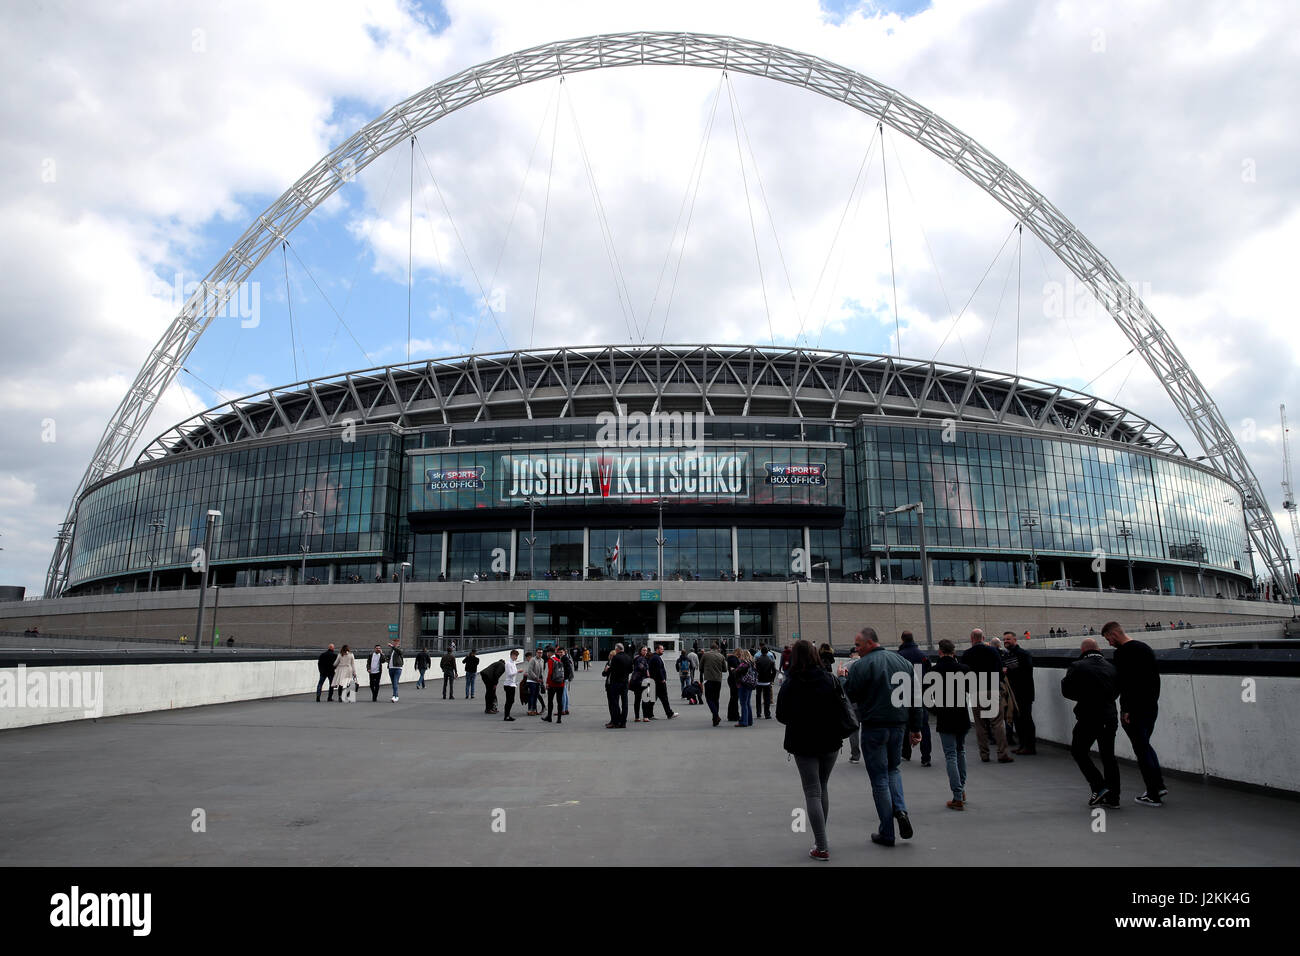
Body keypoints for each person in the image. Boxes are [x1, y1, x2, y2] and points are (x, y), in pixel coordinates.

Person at [844, 627, 924, 847]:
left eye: (858, 646)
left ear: (870, 643)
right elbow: (915, 698)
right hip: (898, 725)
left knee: (879, 777)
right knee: (893, 769)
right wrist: (916, 729)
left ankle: (887, 832)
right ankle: (901, 810)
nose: (857, 650)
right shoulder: (904, 664)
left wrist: (843, 680)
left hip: (873, 726)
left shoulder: (861, 666)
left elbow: (849, 695)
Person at [776, 639, 848, 861]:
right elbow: (841, 707)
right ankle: (820, 838)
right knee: (822, 787)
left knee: (812, 791)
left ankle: (822, 845)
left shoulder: (791, 683)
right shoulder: (830, 679)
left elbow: (781, 715)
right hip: (830, 741)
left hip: (803, 743)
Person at [1103, 621, 1168, 806]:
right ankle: (1158, 785)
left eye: (1108, 639)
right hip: (1150, 706)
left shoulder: (1122, 653)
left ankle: (1153, 793)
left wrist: (1126, 709)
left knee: (1141, 748)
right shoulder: (1144, 648)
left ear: (1114, 634)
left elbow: (1127, 683)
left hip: (1135, 709)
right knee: (1145, 745)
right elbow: (1153, 680)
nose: (1109, 643)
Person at [1061, 638, 1120, 807]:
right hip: (1110, 716)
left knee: (1079, 751)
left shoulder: (1078, 666)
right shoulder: (1111, 667)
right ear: (1098, 649)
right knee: (1109, 757)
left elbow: (1067, 691)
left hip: (1089, 716)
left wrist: (1084, 697)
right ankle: (1114, 798)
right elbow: (1116, 691)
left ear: (1082, 651)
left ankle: (1098, 786)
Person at [931, 639, 973, 809]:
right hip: (961, 715)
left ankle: (957, 797)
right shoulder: (964, 669)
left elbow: (927, 697)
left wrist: (936, 711)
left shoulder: (934, 671)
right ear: (954, 652)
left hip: (945, 716)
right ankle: (961, 790)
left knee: (950, 755)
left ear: (940, 651)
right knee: (960, 751)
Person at [961, 629, 1012, 763]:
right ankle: (1002, 753)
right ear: (983, 638)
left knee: (980, 725)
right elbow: (1000, 671)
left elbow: (964, 676)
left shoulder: (966, 654)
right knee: (997, 723)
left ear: (972, 638)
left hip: (976, 692)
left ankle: (984, 754)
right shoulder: (993, 651)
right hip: (992, 689)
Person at [897, 631, 932, 766]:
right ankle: (926, 756)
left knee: (904, 724)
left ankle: (905, 752)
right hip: (920, 694)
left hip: (904, 694)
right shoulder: (923, 656)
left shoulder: (899, 657)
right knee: (923, 725)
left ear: (902, 640)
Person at [1003, 632, 1036, 755]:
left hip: (1024, 693)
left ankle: (1030, 746)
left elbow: (1026, 672)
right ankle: (1022, 745)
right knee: (1017, 720)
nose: (1006, 641)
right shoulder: (1008, 655)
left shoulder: (1023, 654)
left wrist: (1009, 672)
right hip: (1013, 694)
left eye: (1008, 639)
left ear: (1015, 640)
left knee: (1026, 719)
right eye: (1004, 639)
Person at [836, 651, 861, 762]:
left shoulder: (846, 666)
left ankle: (855, 755)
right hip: (866, 703)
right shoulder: (866, 663)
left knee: (854, 730)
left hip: (853, 702)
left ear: (850, 655)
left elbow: (842, 685)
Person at [699, 641, 729, 727]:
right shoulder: (721, 656)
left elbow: (700, 667)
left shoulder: (705, 655)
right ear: (717, 648)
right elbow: (725, 669)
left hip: (708, 679)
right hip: (718, 680)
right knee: (716, 699)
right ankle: (715, 719)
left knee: (709, 698)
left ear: (710, 648)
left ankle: (716, 715)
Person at [604, 643, 633, 729]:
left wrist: (608, 669)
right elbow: (631, 670)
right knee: (625, 703)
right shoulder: (629, 657)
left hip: (616, 682)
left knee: (615, 702)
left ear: (617, 649)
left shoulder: (616, 658)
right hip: (625, 682)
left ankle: (616, 722)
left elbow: (612, 669)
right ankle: (623, 722)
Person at [649, 644, 678, 720]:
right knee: (664, 698)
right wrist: (662, 679)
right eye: (661, 649)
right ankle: (669, 713)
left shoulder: (655, 657)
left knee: (653, 699)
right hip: (659, 682)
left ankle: (649, 714)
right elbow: (659, 670)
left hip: (655, 682)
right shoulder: (656, 658)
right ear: (657, 649)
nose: (663, 650)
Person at [733, 648, 756, 726]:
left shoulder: (744, 664)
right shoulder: (752, 664)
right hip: (750, 684)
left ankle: (744, 721)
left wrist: (734, 670)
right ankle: (749, 720)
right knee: (747, 703)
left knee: (743, 704)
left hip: (743, 685)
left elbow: (737, 672)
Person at [753, 644, 777, 719]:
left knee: (758, 697)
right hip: (767, 681)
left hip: (759, 681)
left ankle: (758, 713)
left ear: (761, 651)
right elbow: (774, 671)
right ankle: (767, 714)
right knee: (767, 698)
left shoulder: (757, 660)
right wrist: (772, 679)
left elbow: (754, 670)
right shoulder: (770, 661)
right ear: (767, 652)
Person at [543, 648, 566, 724]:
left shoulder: (550, 660)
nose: (546, 654)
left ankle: (549, 717)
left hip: (553, 683)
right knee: (559, 701)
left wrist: (547, 683)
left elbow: (550, 673)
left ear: (550, 653)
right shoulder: (558, 659)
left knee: (550, 700)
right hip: (560, 683)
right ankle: (559, 719)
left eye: (547, 652)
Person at [630, 646, 652, 722]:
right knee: (645, 699)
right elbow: (641, 668)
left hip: (636, 681)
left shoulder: (636, 658)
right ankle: (645, 717)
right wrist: (647, 670)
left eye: (646, 650)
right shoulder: (641, 659)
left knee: (637, 700)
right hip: (642, 681)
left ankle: (637, 717)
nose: (645, 652)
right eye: (643, 650)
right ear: (640, 651)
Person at [524, 650, 546, 715]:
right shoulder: (532, 660)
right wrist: (536, 678)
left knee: (536, 696)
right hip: (531, 680)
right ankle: (530, 710)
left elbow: (542, 671)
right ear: (536, 653)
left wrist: (542, 680)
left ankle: (534, 710)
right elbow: (530, 670)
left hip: (538, 681)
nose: (540, 654)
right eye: (539, 652)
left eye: (541, 653)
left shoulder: (542, 660)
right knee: (532, 695)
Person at [502, 649, 521, 721]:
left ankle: (508, 715)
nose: (516, 657)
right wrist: (517, 671)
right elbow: (510, 674)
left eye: (517, 656)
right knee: (509, 701)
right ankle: (506, 716)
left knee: (511, 700)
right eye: (515, 656)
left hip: (512, 684)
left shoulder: (513, 663)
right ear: (512, 655)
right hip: (508, 684)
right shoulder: (508, 663)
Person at [725, 645, 741, 722]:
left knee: (733, 698)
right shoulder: (734, 659)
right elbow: (737, 669)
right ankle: (734, 715)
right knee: (734, 698)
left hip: (731, 679)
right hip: (734, 680)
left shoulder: (731, 659)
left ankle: (732, 715)